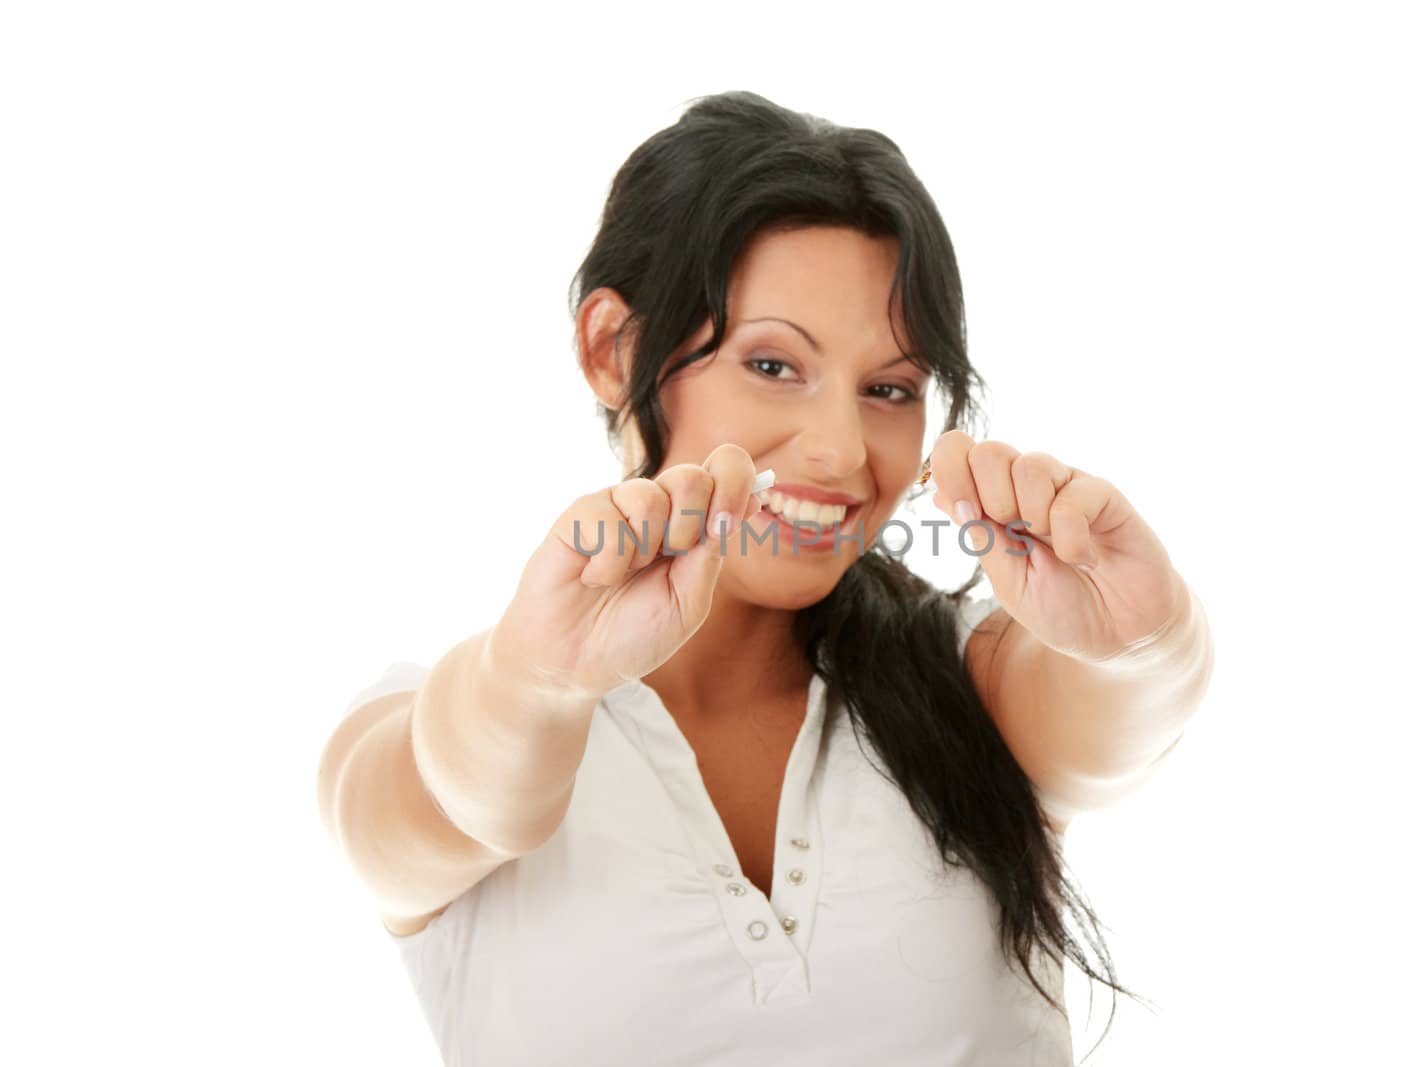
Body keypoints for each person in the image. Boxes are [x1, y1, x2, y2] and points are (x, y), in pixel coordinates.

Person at [316, 90, 1214, 1066]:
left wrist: (1146, 636)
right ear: (612, 350)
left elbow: (1114, 715)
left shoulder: (968, 683)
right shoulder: (412, 722)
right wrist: (532, 683)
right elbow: (455, 793)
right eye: (774, 365)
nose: (838, 450)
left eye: (888, 389)